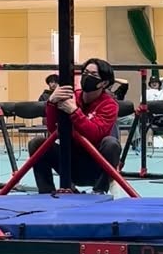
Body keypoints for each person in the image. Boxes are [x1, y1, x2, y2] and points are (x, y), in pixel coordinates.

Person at [28, 58, 120, 194]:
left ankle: (99, 191)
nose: (87, 77)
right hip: (69, 161)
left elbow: (95, 134)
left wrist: (74, 112)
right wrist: (52, 103)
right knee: (37, 143)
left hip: (95, 164)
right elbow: (53, 129)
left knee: (111, 144)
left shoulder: (110, 105)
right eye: (85, 73)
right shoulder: (72, 96)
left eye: (93, 75)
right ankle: (46, 192)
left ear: (104, 83)